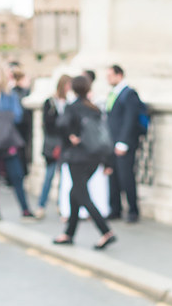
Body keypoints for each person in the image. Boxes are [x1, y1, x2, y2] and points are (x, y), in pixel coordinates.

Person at [52, 75, 116, 249]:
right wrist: (107, 162)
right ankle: (69, 233)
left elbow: (60, 126)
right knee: (75, 193)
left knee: (81, 194)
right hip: (94, 157)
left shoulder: (72, 108)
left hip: (77, 157)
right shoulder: (94, 108)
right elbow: (103, 135)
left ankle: (105, 231)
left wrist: (71, 137)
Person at [0, 65, 36, 221]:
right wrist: (4, 117)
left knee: (17, 175)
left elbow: (17, 116)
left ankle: (25, 209)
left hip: (9, 140)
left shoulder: (10, 96)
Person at [104, 64, 143, 222]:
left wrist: (123, 142)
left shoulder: (129, 94)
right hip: (111, 142)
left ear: (119, 75)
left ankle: (133, 210)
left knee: (126, 177)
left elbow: (130, 119)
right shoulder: (114, 93)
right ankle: (115, 209)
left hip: (123, 144)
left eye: (110, 75)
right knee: (113, 177)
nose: (108, 79)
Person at [38, 74, 71, 219]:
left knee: (64, 178)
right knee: (49, 176)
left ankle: (60, 204)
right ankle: (41, 205)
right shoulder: (50, 102)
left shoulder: (69, 103)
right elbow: (48, 124)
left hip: (65, 145)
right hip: (52, 145)